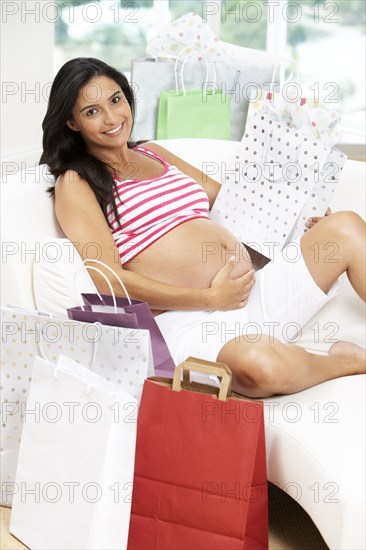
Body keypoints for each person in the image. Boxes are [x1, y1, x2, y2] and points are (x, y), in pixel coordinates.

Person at [41, 57, 365, 398]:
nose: (111, 118)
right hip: (187, 321)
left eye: (115, 99)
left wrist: (305, 220)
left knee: (344, 227)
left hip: (252, 294)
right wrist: (207, 297)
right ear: (72, 123)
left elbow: (241, 205)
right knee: (262, 369)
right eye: (92, 111)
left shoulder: (155, 153)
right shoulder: (76, 181)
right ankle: (345, 361)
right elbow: (108, 279)